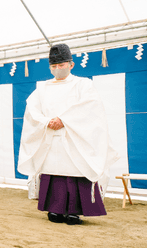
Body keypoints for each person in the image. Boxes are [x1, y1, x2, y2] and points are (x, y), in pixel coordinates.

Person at [18, 43, 119, 225]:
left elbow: (90, 107)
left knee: (76, 172)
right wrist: (46, 121)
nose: (57, 69)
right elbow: (32, 110)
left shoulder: (83, 84)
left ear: (71, 65)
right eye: (54, 66)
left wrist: (63, 119)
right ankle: (54, 209)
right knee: (53, 173)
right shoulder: (42, 88)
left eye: (61, 65)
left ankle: (74, 211)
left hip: (74, 137)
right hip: (50, 137)